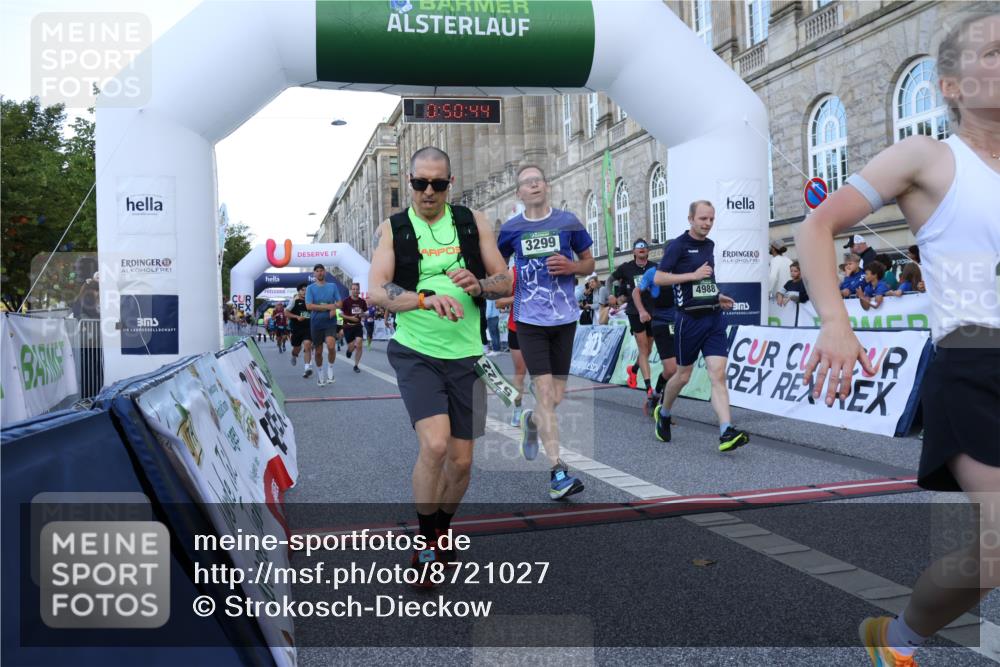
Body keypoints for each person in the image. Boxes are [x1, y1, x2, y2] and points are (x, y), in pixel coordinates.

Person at [795, 10, 1000, 665]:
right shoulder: (930, 157)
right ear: (950, 87)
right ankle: (901, 638)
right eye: (993, 52)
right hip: (975, 369)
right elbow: (817, 225)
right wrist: (836, 321)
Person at [368, 146, 511, 583]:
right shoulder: (394, 229)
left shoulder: (473, 222)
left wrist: (480, 284)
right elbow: (376, 291)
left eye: (438, 183)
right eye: (419, 183)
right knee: (434, 445)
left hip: (467, 355)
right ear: (409, 181)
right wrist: (427, 299)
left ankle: (440, 531)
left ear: (451, 184)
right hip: (416, 352)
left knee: (463, 462)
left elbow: (505, 282)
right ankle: (426, 544)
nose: (428, 192)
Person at [497, 165, 595, 500]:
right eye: (526, 182)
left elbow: (589, 263)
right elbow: (496, 271)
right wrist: (494, 289)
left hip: (565, 319)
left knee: (555, 398)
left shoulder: (568, 221)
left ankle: (532, 422)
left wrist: (572, 267)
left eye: (537, 179)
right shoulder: (511, 229)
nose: (533, 185)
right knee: (543, 392)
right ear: (519, 193)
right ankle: (558, 472)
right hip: (529, 320)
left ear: (546, 186)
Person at [653, 200, 750, 451]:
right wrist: (691, 275)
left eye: (711, 219)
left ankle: (726, 431)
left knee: (718, 375)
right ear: (690, 219)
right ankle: (663, 412)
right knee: (682, 375)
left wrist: (717, 296)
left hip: (714, 317)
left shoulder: (710, 245)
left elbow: (706, 280)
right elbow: (659, 277)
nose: (707, 224)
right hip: (689, 320)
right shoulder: (677, 246)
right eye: (702, 219)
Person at [607, 239, 655, 395]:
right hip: (635, 312)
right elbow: (609, 280)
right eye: (638, 248)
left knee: (647, 350)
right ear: (634, 252)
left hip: (653, 311)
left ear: (648, 251)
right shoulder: (627, 268)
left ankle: (633, 369)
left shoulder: (655, 267)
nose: (641, 249)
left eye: (644, 248)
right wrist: (610, 295)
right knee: (643, 348)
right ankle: (649, 388)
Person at [632, 257, 677, 418]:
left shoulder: (684, 270)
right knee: (671, 368)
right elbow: (636, 291)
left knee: (680, 371)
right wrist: (642, 311)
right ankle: (659, 402)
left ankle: (660, 401)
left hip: (681, 323)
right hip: (661, 322)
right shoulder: (652, 273)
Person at [496, 268, 527, 427]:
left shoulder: (548, 267)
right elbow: (499, 302)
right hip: (518, 328)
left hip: (543, 328)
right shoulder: (513, 271)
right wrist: (521, 297)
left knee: (542, 372)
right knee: (520, 372)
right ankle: (518, 410)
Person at [305, 263, 341, 387]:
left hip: (330, 321)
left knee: (331, 345)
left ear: (324, 272)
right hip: (316, 323)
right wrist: (327, 307)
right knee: (319, 352)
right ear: (314, 274)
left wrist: (334, 308)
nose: (320, 273)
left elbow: (339, 303)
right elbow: (309, 306)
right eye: (317, 271)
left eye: (322, 270)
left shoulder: (332, 286)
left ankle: (330, 368)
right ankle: (320, 373)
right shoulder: (310, 288)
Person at [287, 283, 314, 378]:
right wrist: (297, 317)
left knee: (307, 345)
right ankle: (294, 355)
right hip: (297, 328)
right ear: (298, 291)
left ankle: (307, 368)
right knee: (297, 348)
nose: (305, 292)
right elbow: (286, 312)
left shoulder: (311, 301)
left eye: (306, 290)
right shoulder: (294, 301)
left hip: (308, 328)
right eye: (302, 290)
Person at [340, 282, 367, 374]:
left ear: (359, 291)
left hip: (358, 326)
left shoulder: (362, 302)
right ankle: (349, 350)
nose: (355, 291)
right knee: (351, 346)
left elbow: (366, 313)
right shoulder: (346, 301)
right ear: (351, 290)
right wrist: (350, 318)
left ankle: (356, 365)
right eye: (353, 289)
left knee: (359, 344)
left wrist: (363, 314)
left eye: (357, 289)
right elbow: (340, 313)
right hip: (348, 326)